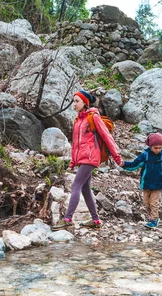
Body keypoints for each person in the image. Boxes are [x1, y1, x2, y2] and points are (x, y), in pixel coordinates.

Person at [52, 90, 123, 231]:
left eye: (77, 101)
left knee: (76, 185)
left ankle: (67, 219)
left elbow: (107, 136)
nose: (74, 104)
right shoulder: (78, 120)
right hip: (82, 159)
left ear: (85, 102)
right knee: (85, 188)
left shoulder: (93, 117)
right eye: (74, 101)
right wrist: (72, 162)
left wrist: (117, 157)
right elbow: (75, 144)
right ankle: (96, 220)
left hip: (91, 157)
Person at [122, 133, 162, 229]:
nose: (158, 150)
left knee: (153, 203)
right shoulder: (145, 155)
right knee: (146, 203)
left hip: (158, 185)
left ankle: (154, 220)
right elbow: (135, 165)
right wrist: (123, 164)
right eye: (155, 148)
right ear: (150, 146)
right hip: (146, 184)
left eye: (160, 148)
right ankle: (152, 217)